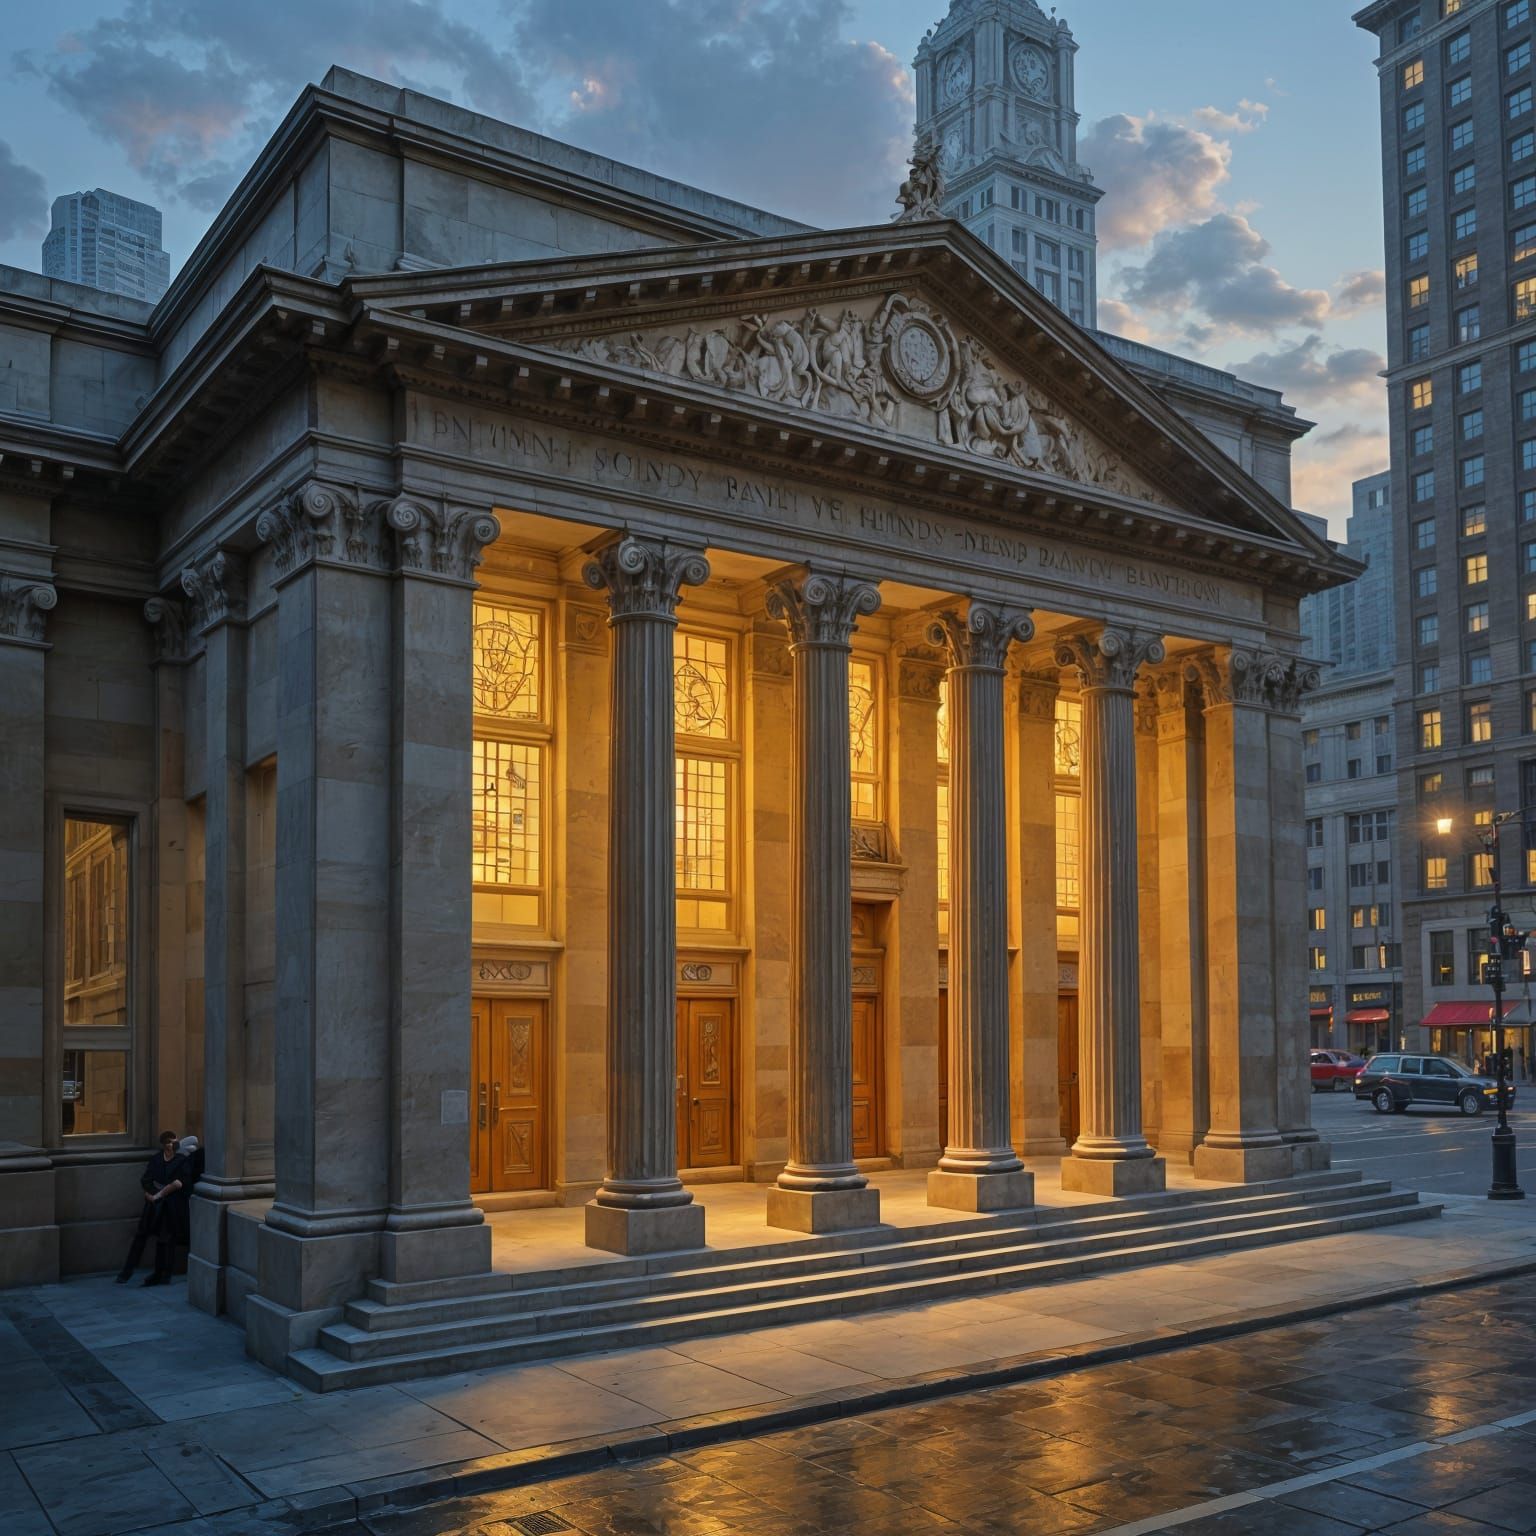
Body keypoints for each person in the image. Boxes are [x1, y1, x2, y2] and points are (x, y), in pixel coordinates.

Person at [115, 1131, 190, 1286]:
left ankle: (164, 1275)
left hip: (170, 1205)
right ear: (163, 1144)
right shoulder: (156, 1160)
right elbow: (146, 1180)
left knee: (166, 1239)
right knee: (141, 1235)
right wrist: (151, 1194)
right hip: (153, 1205)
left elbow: (180, 1183)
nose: (172, 1145)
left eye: (174, 1142)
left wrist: (160, 1195)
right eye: (169, 1142)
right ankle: (126, 1272)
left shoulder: (181, 1160)